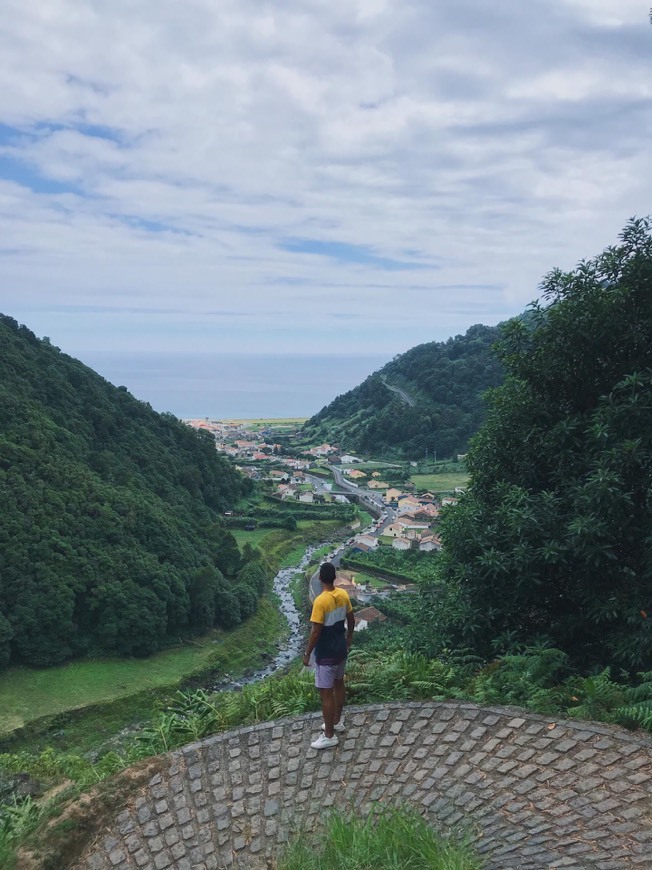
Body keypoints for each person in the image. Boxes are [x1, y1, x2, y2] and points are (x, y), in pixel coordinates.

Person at [303, 562, 355, 750]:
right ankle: (337, 721)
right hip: (341, 648)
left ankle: (329, 735)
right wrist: (349, 638)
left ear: (319, 578)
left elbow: (316, 631)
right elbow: (351, 618)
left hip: (326, 653)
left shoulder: (320, 601)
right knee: (339, 684)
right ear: (334, 577)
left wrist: (307, 653)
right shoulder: (342, 594)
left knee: (326, 693)